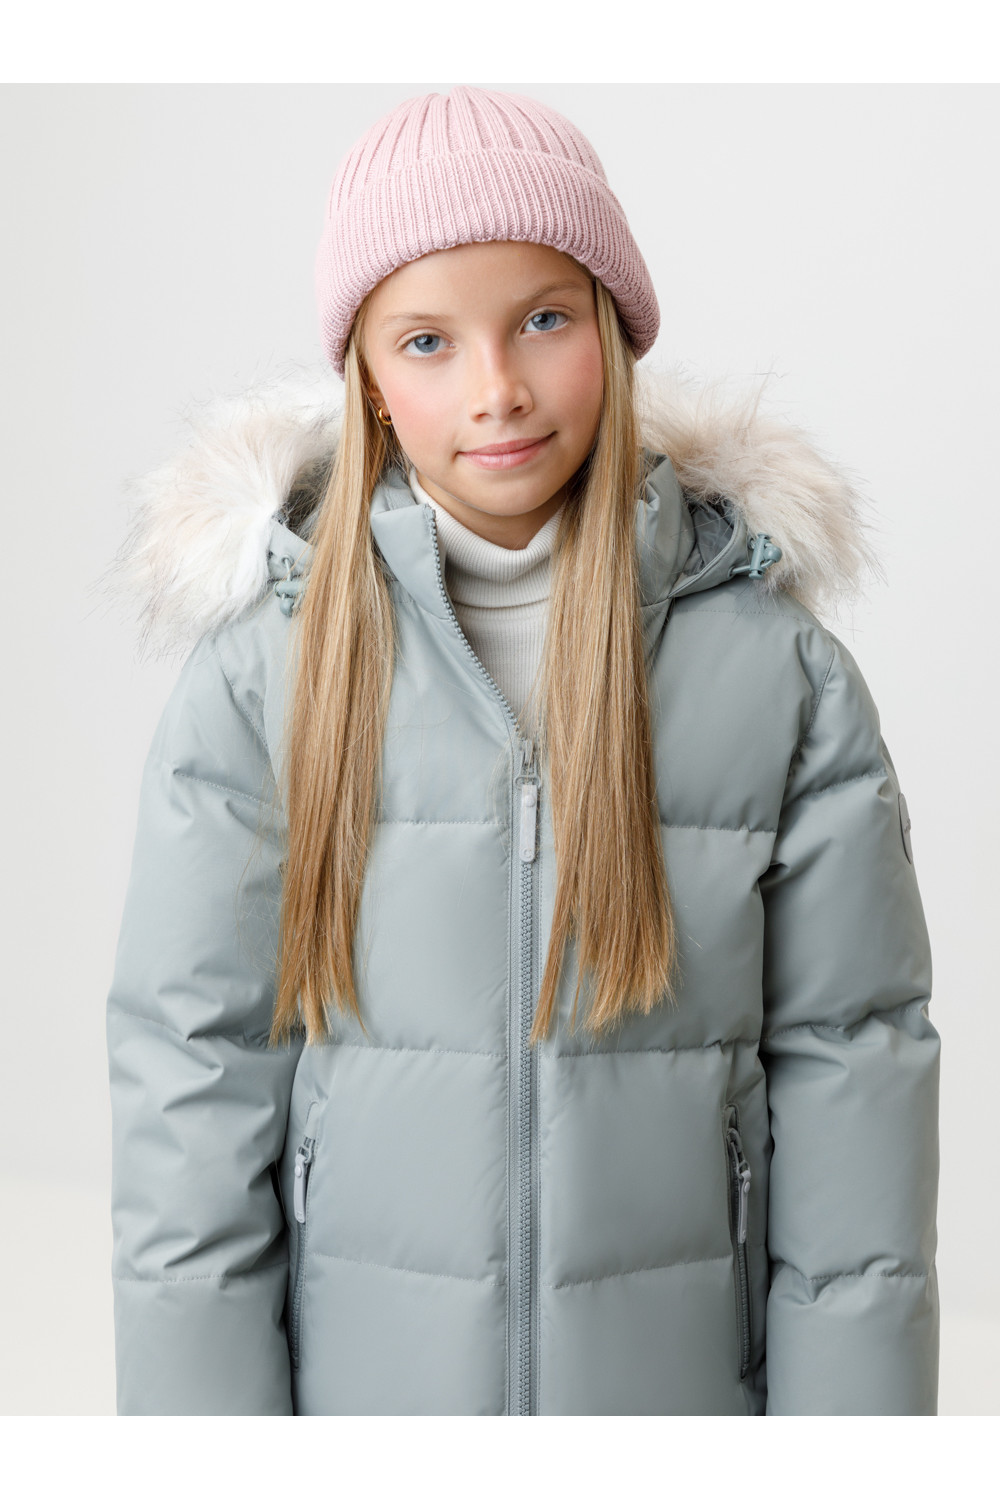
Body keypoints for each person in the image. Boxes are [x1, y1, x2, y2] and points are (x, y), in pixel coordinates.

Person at [103, 85, 940, 1416]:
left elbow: (856, 1080)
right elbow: (190, 1087)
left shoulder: (778, 681)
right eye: (428, 341)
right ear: (371, 381)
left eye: (544, 320)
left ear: (614, 328)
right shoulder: (265, 682)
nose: (495, 390)